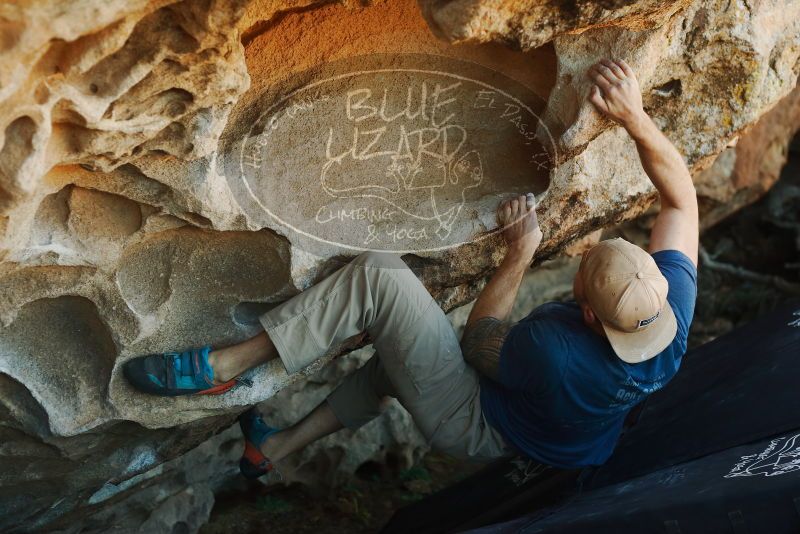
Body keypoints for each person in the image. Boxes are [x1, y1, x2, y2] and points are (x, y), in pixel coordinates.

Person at [124, 58, 698, 478]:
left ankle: (230, 363)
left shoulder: (557, 351)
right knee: (402, 357)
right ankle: (269, 451)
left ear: (590, 314)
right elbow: (681, 201)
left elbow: (478, 341)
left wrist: (520, 252)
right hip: (560, 436)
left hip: (480, 427)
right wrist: (635, 117)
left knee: (381, 275)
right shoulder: (668, 316)